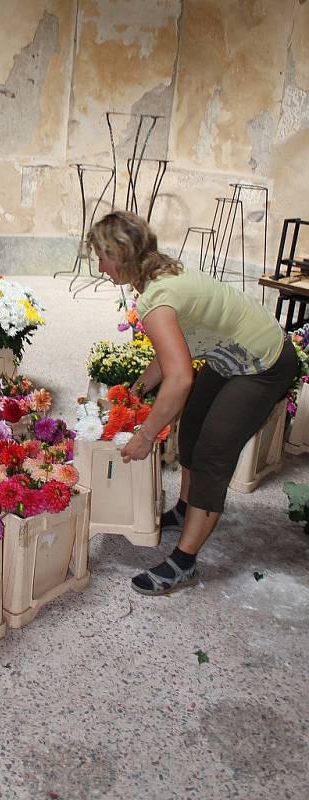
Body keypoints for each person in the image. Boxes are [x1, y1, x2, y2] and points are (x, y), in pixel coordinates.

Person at [87, 211, 297, 596]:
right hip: (229, 354)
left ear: (121, 256)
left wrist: (146, 434)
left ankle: (184, 563)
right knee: (194, 426)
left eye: (102, 258)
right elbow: (172, 352)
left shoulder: (156, 299)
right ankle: (186, 509)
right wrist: (137, 390)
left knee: (213, 454)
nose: (100, 268)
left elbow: (180, 377)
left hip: (263, 363)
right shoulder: (159, 277)